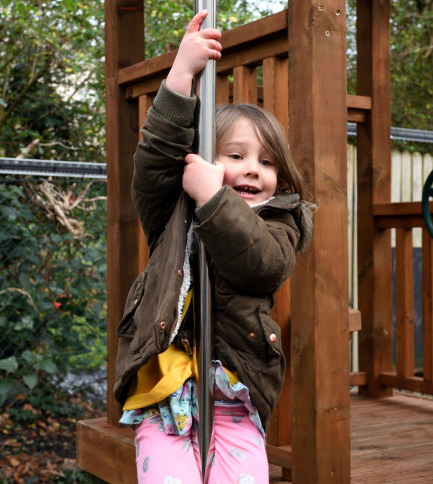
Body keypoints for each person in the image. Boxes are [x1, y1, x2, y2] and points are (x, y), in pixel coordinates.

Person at [113, 10, 314, 484]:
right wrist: (182, 73)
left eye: (266, 162)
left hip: (235, 395)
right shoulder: (172, 207)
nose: (252, 170)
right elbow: (156, 157)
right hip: (165, 387)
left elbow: (264, 267)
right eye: (236, 156)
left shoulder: (280, 220)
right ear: (202, 160)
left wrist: (216, 197)